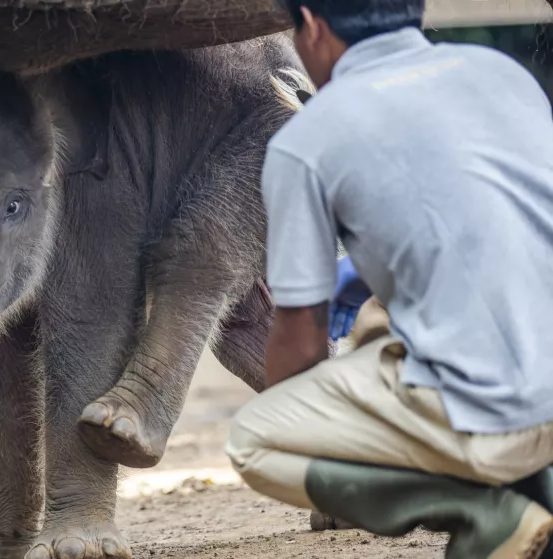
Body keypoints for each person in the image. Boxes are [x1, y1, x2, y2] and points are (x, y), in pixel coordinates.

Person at [224, 1, 553, 557]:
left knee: (258, 438)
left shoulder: (306, 141)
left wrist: (318, 433)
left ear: (309, 24)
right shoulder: (502, 74)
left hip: (491, 409)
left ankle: (486, 513)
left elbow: (300, 340)